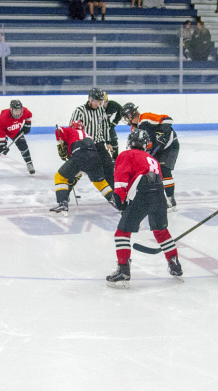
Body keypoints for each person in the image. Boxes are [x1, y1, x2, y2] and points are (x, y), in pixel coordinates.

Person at [105, 129, 183, 288]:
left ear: (130, 142)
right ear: (146, 144)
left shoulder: (126, 155)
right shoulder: (151, 158)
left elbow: (121, 179)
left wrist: (119, 198)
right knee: (161, 231)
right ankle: (175, 265)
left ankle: (123, 270)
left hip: (142, 195)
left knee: (122, 233)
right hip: (159, 196)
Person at [120, 102, 180, 210]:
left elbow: (168, 119)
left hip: (170, 146)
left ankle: (171, 200)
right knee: (151, 172)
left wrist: (162, 133)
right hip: (156, 150)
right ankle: (156, 198)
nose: (125, 119)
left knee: (164, 170)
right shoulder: (134, 129)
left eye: (125, 116)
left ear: (130, 115)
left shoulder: (145, 118)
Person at [50, 121, 117, 214]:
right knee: (100, 182)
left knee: (60, 177)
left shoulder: (70, 130)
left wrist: (59, 144)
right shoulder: (87, 135)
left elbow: (59, 130)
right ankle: (116, 202)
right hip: (95, 156)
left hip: (79, 155)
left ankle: (63, 203)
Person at [71, 88, 116, 185]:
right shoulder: (79, 111)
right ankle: (64, 192)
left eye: (101, 101)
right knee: (80, 169)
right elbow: (73, 130)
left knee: (109, 166)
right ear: (90, 99)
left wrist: (108, 142)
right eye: (97, 101)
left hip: (99, 144)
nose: (99, 104)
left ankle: (113, 193)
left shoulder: (100, 110)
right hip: (85, 146)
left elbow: (104, 126)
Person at [0, 100, 34, 177]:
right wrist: (2, 145)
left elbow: (29, 115)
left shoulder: (25, 111)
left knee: (23, 145)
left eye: (19, 110)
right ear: (11, 109)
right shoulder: (2, 118)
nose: (18, 112)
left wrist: (27, 125)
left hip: (14, 129)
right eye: (16, 110)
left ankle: (29, 163)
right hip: (1, 130)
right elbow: (0, 133)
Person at [102, 92, 123, 159]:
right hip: (98, 128)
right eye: (104, 102)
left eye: (107, 101)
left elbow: (121, 111)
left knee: (114, 140)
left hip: (108, 126)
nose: (106, 103)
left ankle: (115, 158)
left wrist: (115, 122)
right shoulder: (96, 108)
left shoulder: (112, 105)